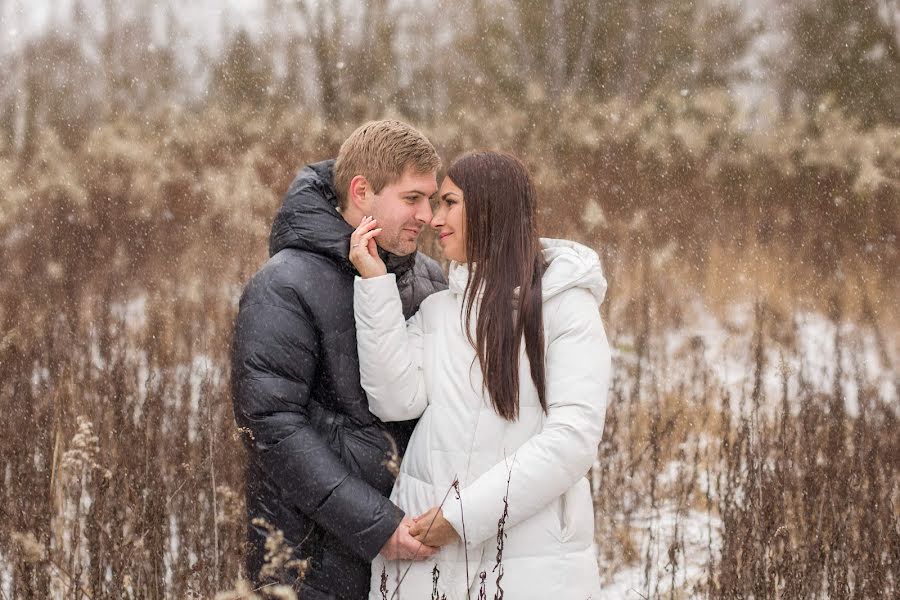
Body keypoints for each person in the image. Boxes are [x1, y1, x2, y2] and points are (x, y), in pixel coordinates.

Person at [350, 151, 611, 599]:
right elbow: (394, 400)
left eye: (450, 202)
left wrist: (459, 518)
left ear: (491, 207)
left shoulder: (566, 307)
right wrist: (375, 285)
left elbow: (572, 438)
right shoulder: (439, 311)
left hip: (532, 561)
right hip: (426, 561)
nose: (434, 218)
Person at [231, 120, 447, 599]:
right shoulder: (283, 286)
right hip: (311, 560)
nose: (428, 215)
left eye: (431, 199)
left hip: (417, 552)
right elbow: (272, 426)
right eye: (412, 198)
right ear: (362, 191)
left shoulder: (429, 278)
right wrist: (375, 526)